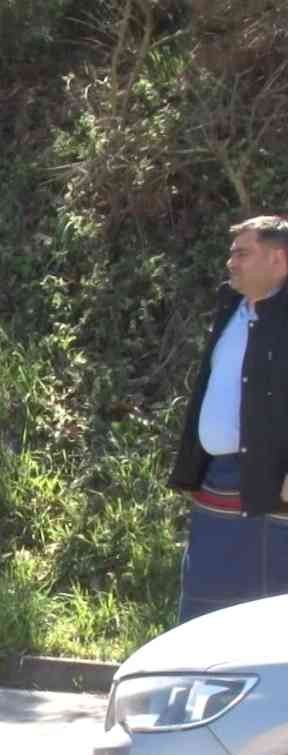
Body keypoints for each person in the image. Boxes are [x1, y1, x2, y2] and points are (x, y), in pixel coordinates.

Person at [168, 215, 288, 623]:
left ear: (279, 259)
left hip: (274, 488)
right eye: (231, 253)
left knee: (265, 618)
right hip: (216, 481)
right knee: (203, 613)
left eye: (243, 253)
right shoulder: (231, 309)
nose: (230, 262)